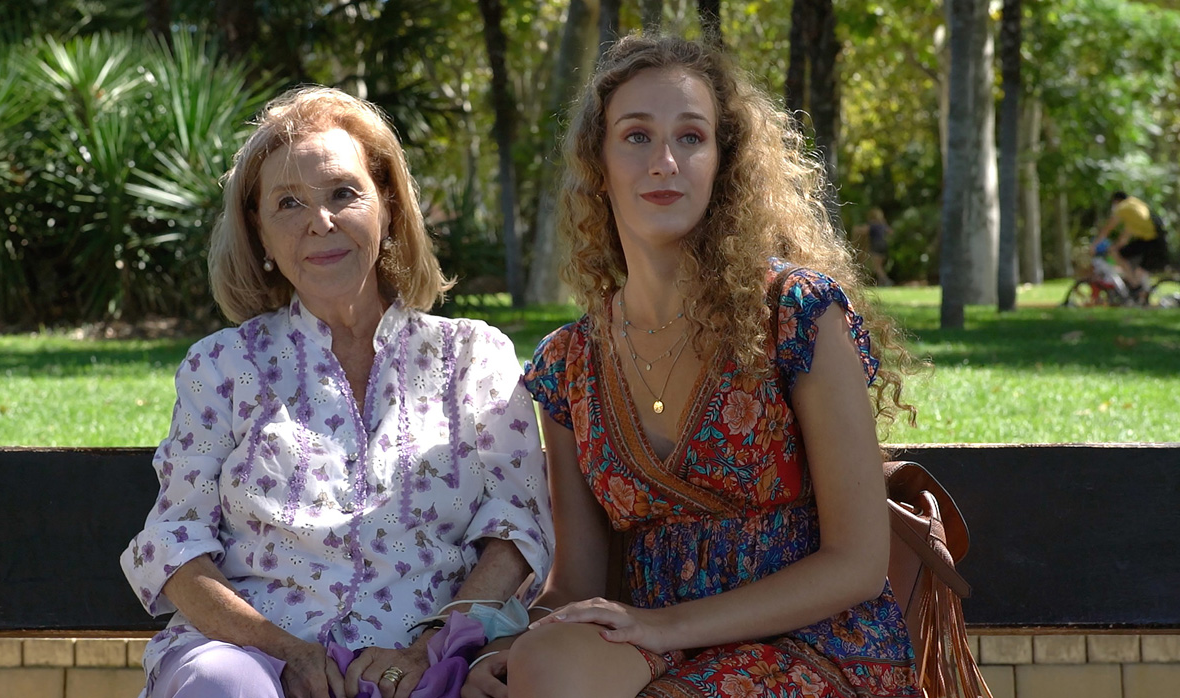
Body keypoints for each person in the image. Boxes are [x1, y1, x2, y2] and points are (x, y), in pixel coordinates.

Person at [463, 35, 920, 698]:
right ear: (598, 164)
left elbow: (857, 564)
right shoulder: (569, 365)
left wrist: (667, 625)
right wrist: (502, 651)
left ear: (721, 163)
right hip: (650, 642)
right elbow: (577, 586)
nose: (665, 162)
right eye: (637, 136)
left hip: (813, 639)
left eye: (691, 137)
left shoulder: (794, 313)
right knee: (549, 664)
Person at [120, 86, 553, 698]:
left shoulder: (473, 357)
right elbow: (175, 546)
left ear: (388, 208)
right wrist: (287, 653)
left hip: (431, 663)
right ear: (260, 232)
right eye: (288, 203)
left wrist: (427, 652)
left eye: (343, 193)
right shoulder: (220, 366)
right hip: (254, 657)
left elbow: (515, 528)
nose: (319, 222)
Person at [1091, 191, 1169, 300]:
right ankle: (1137, 288)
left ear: (1116, 201)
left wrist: (1094, 245)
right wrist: (1116, 246)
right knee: (1122, 255)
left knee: (1123, 258)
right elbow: (1127, 233)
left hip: (1152, 241)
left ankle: (1135, 284)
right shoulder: (1135, 204)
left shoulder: (1123, 207)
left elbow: (1108, 228)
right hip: (1152, 240)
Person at [852, 207, 893, 286]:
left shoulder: (873, 224)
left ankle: (886, 281)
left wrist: (856, 229)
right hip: (883, 245)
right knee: (879, 266)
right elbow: (890, 232)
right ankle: (882, 282)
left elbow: (864, 230)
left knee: (877, 266)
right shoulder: (882, 225)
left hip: (876, 245)